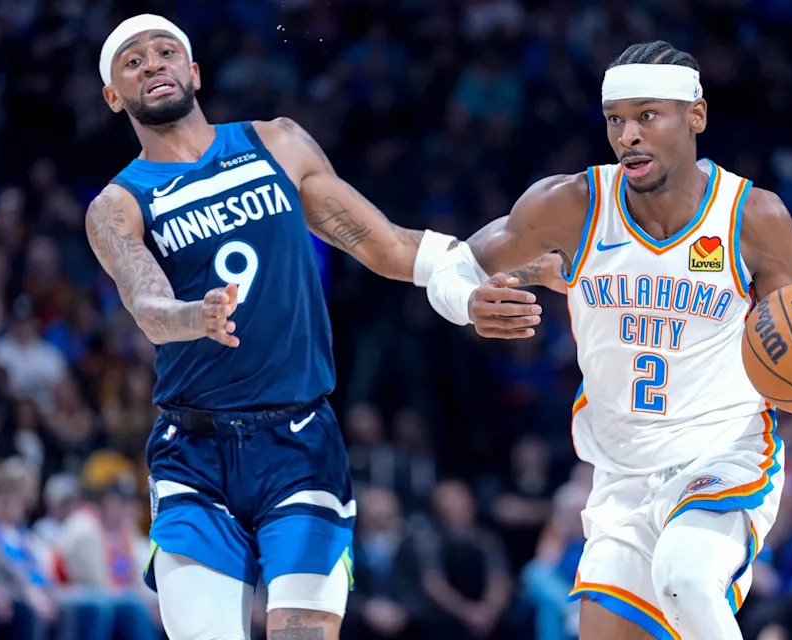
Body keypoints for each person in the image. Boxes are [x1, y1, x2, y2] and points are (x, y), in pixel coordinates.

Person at [85, 13, 561, 640]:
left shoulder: (276, 142)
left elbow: (390, 246)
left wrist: (471, 286)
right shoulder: (118, 205)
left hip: (299, 444)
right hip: (193, 453)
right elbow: (147, 307)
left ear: (193, 70)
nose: (152, 64)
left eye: (165, 51)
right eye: (133, 61)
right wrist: (191, 316)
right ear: (113, 96)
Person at [427, 40, 792, 640]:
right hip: (622, 474)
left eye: (647, 116)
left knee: (688, 579)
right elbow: (453, 263)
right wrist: (467, 301)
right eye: (616, 120)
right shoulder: (573, 206)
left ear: (696, 116)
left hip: (723, 453)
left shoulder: (753, 217)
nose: (628, 135)